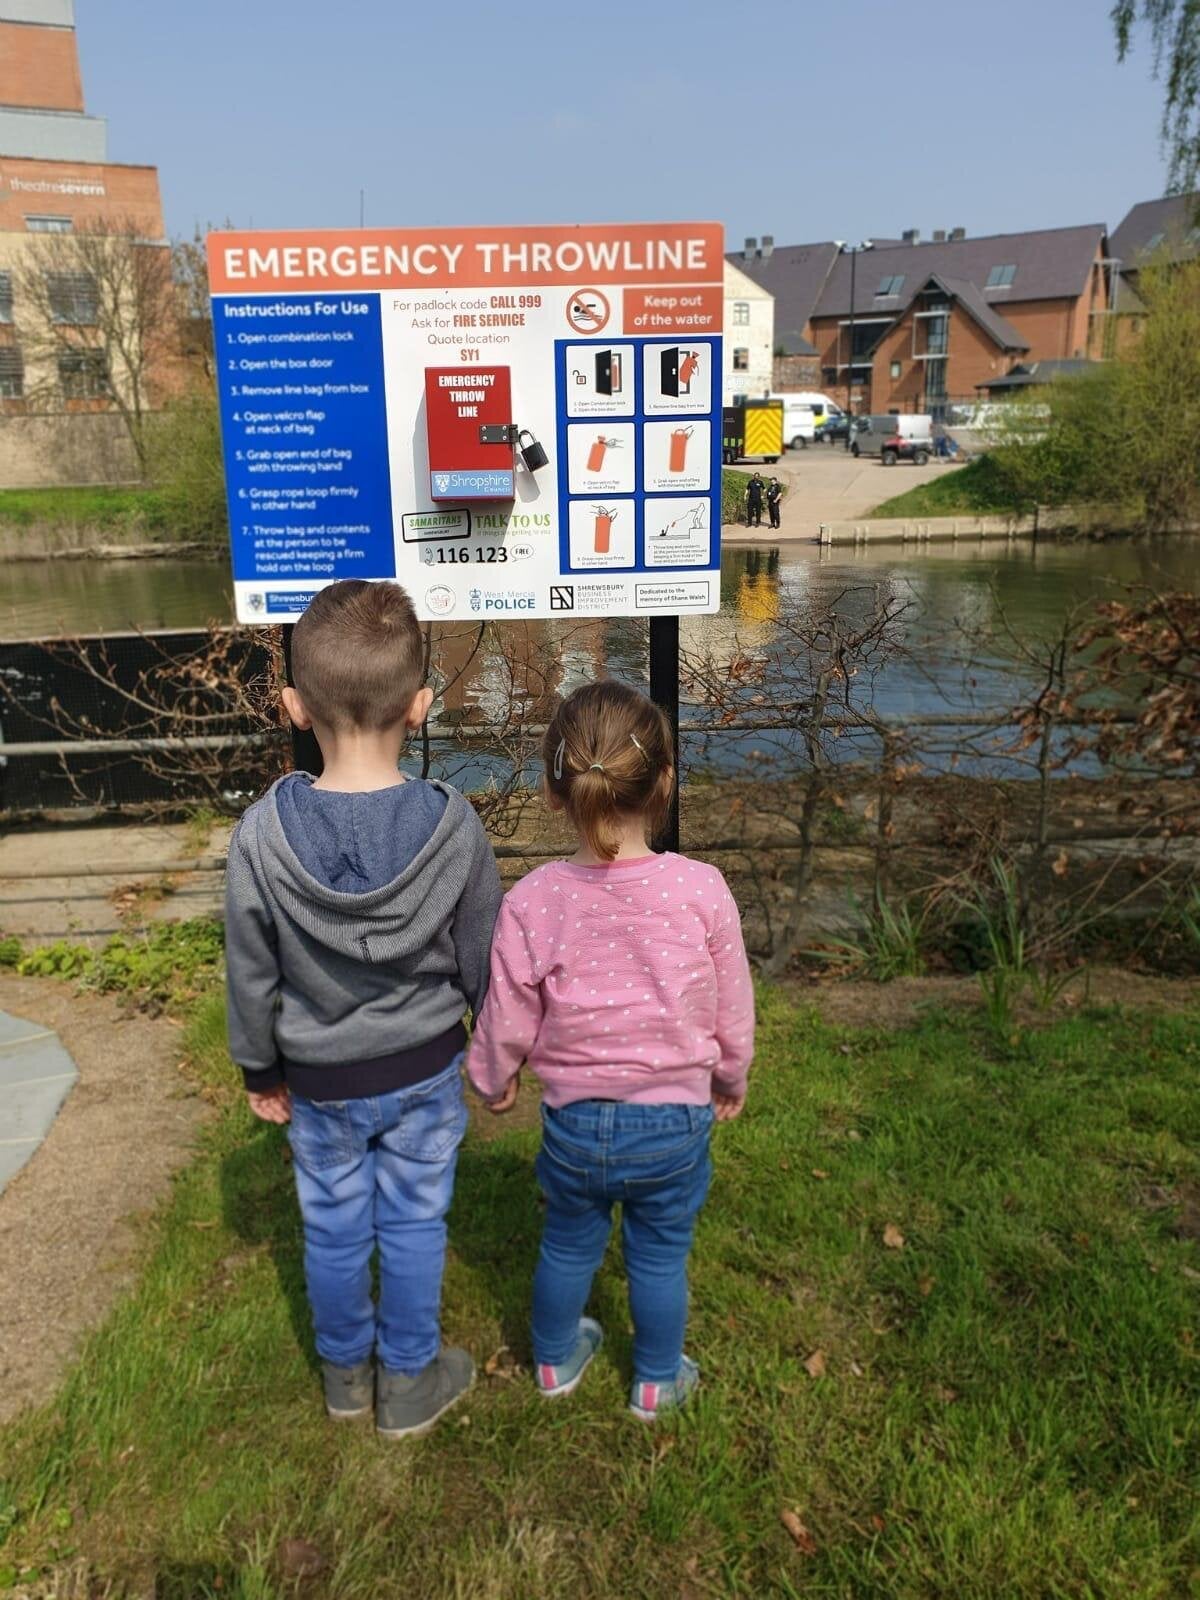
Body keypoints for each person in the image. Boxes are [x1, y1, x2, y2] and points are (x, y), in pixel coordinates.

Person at [224, 580, 501, 1439]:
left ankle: (347, 1378)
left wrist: (260, 1067)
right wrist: (489, 1048)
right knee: (415, 1225)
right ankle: (409, 1382)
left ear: (294, 706)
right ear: (420, 706)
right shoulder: (455, 827)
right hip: (423, 1069)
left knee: (335, 1231)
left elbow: (249, 970)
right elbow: (481, 956)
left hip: (319, 1080)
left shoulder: (261, 835)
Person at [468, 682, 755, 1422]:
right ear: (665, 781)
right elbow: (732, 1004)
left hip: (574, 1124)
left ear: (552, 789)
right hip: (674, 1123)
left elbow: (506, 1010)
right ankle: (657, 1379)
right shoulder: (701, 889)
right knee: (660, 1256)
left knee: (568, 1246)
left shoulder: (532, 898)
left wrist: (493, 1078)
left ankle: (555, 1359)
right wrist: (730, 1075)